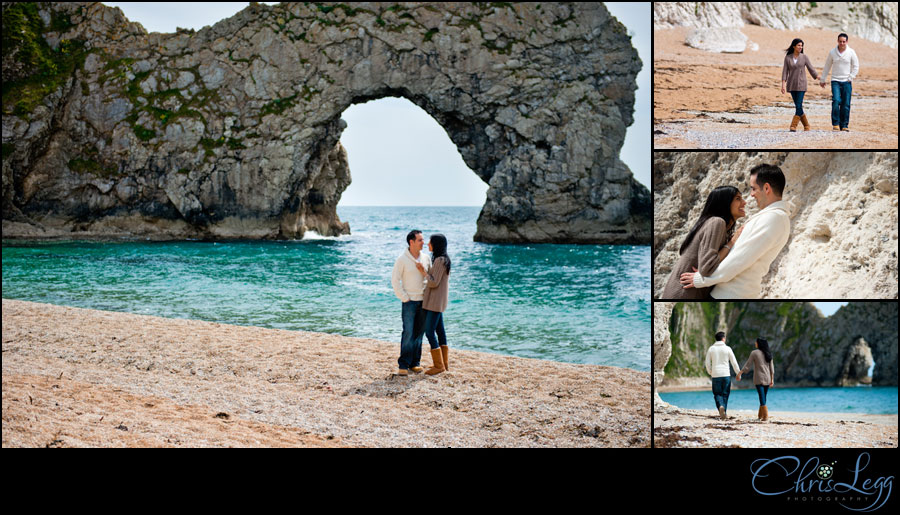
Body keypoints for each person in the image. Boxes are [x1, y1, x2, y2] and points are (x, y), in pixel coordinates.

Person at [679, 164, 791, 299]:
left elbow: (738, 259)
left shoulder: (774, 218)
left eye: (753, 188)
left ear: (766, 188)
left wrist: (701, 279)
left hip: (731, 295)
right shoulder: (771, 217)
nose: (751, 194)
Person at [661, 186, 746, 299]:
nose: (744, 202)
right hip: (685, 294)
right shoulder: (717, 222)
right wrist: (731, 243)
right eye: (738, 198)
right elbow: (706, 268)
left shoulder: (715, 225)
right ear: (725, 202)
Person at [391, 230, 432, 376]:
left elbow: (430, 278)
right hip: (409, 302)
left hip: (424, 301)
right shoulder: (402, 259)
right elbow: (395, 280)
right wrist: (404, 297)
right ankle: (403, 364)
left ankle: (415, 363)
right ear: (411, 242)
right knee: (408, 332)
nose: (423, 243)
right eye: (420, 240)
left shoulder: (426, 258)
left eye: (423, 239)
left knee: (419, 333)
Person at [415, 233, 451, 375]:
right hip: (439, 301)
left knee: (429, 331)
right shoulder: (443, 259)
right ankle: (444, 364)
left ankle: (439, 365)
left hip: (435, 302)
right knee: (440, 331)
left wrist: (423, 272)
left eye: (430, 242)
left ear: (436, 244)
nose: (427, 244)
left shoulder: (440, 260)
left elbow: (433, 282)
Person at [819, 33, 859, 132]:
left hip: (847, 81)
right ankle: (836, 124)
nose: (842, 43)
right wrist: (823, 79)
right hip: (835, 81)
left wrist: (851, 77)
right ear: (837, 41)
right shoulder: (832, 52)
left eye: (844, 42)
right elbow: (827, 66)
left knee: (846, 103)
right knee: (836, 101)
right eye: (840, 41)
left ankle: (844, 125)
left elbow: (856, 66)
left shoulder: (851, 52)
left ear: (847, 42)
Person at [781, 38, 819, 132]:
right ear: (794, 46)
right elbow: (785, 72)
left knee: (798, 104)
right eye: (798, 45)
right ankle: (806, 125)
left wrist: (818, 77)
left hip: (802, 84)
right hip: (791, 84)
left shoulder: (804, 57)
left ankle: (793, 126)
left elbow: (811, 68)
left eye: (801, 46)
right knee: (798, 106)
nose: (800, 47)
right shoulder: (788, 58)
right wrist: (783, 85)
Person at [737, 337, 776, 422]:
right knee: (763, 397)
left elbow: (748, 365)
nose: (755, 343)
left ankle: (765, 417)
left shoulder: (754, 353)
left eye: (756, 342)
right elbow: (771, 368)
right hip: (767, 378)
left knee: (762, 398)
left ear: (759, 343)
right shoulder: (769, 353)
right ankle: (760, 416)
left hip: (758, 378)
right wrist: (772, 379)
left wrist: (740, 372)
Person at [705, 331, 741, 420]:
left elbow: (707, 363)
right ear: (723, 338)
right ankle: (724, 410)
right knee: (725, 394)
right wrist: (738, 373)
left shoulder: (711, 349)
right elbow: (734, 362)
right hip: (726, 375)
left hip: (716, 375)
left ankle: (721, 408)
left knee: (717, 394)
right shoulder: (728, 348)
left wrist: (711, 372)